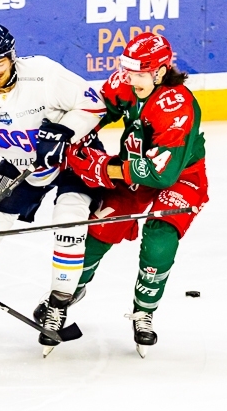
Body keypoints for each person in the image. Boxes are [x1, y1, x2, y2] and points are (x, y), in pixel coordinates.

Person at [0, 24, 106, 354]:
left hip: (74, 159)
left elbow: (95, 105)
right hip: (22, 167)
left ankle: (58, 304)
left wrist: (64, 132)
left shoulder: (43, 73)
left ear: (12, 56)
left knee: (70, 223)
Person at [53, 32, 209, 358]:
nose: (130, 78)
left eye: (139, 73)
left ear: (160, 72)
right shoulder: (128, 82)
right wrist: (68, 135)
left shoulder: (177, 107)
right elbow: (97, 110)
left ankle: (144, 312)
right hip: (132, 169)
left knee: (161, 238)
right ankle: (64, 296)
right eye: (128, 70)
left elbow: (162, 174)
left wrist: (103, 167)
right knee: (100, 229)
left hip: (180, 177)